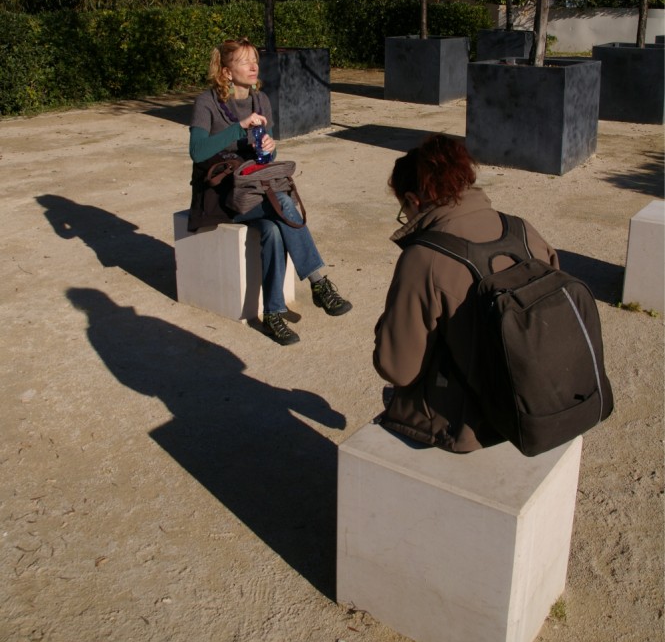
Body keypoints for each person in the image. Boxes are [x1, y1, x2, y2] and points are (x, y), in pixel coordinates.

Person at [374, 133, 559, 451]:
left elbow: (398, 369)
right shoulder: (523, 229)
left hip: (475, 422)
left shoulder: (424, 258)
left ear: (413, 200)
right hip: (543, 393)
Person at [188, 38, 352, 345]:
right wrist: (239, 127)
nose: (253, 67)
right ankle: (319, 283)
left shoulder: (260, 100)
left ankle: (273, 314)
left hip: (254, 190)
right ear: (226, 71)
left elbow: (267, 158)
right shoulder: (206, 102)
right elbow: (197, 152)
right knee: (284, 205)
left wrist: (268, 147)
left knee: (274, 231)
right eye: (244, 62)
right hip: (220, 196)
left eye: (255, 60)